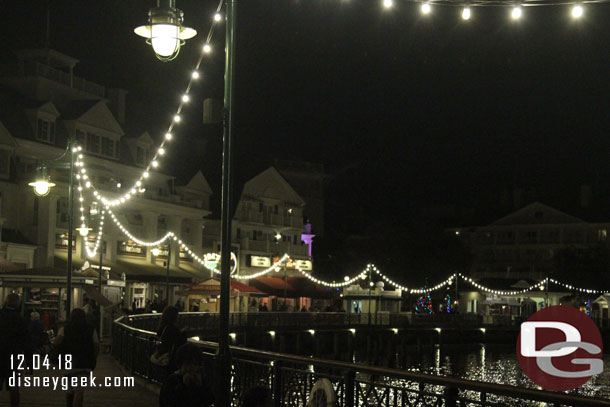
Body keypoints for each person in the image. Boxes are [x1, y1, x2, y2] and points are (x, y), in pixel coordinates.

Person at [54, 308, 99, 407]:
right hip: (84, 363)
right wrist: (93, 358)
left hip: (67, 363)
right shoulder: (91, 329)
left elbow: (57, 342)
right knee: (79, 391)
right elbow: (96, 345)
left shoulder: (64, 329)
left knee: (69, 390)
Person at [0, 294, 28, 407]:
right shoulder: (20, 319)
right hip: (15, 355)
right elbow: (25, 340)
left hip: (0, 353)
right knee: (14, 385)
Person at [156, 306, 187, 374]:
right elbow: (178, 341)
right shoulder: (172, 329)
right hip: (170, 359)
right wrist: (183, 333)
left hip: (163, 356)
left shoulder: (163, 327)